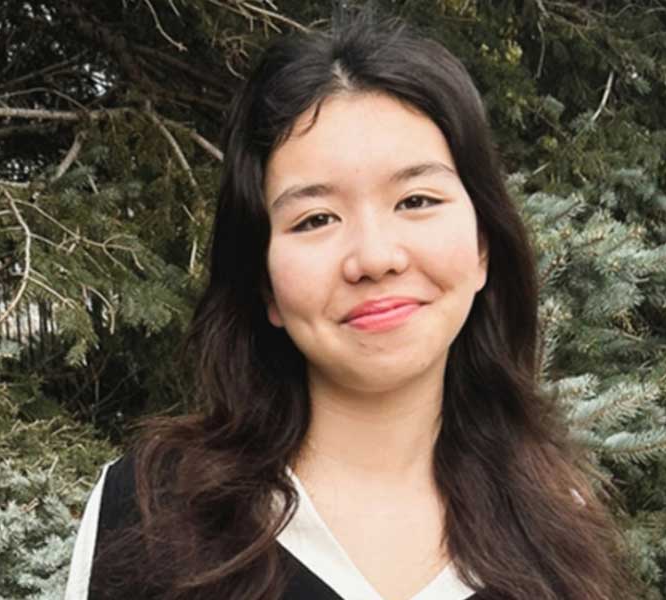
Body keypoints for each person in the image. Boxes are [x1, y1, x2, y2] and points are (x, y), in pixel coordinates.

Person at [65, 9, 632, 600]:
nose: (374, 257)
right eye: (315, 218)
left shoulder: (552, 526)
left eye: (415, 199)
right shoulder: (145, 516)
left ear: (484, 243)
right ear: (265, 284)